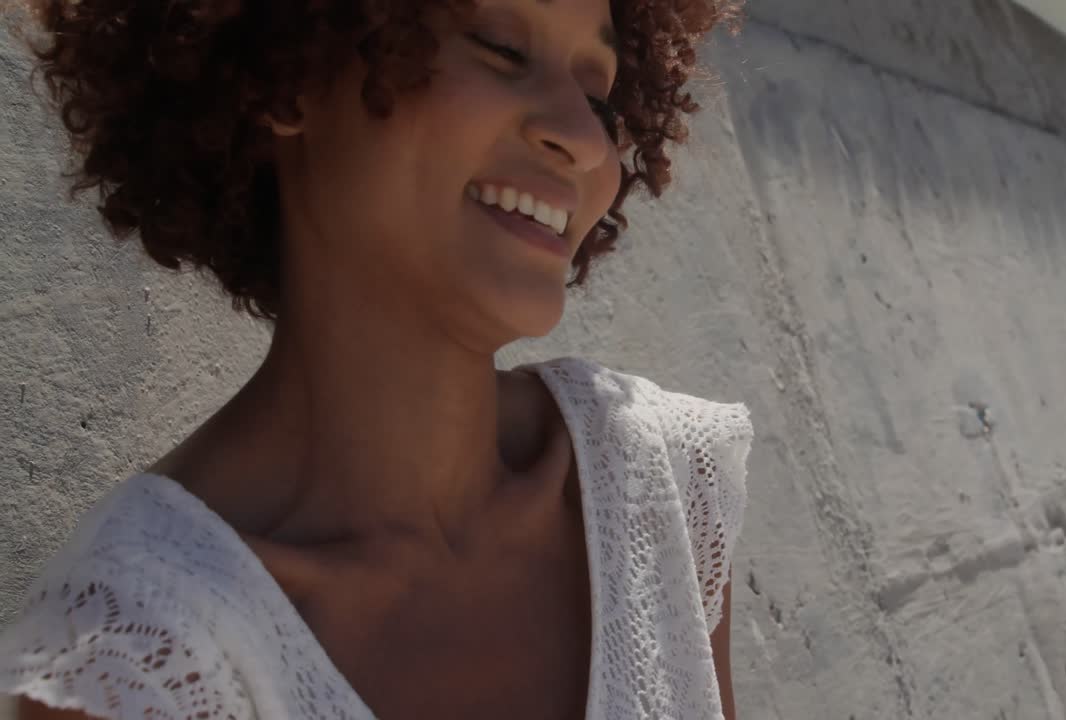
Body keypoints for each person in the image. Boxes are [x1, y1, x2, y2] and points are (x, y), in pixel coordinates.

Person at [0, 0, 753, 717]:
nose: (588, 141)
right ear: (289, 69)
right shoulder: (130, 664)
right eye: (502, 48)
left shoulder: (659, 485)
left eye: (600, 95)